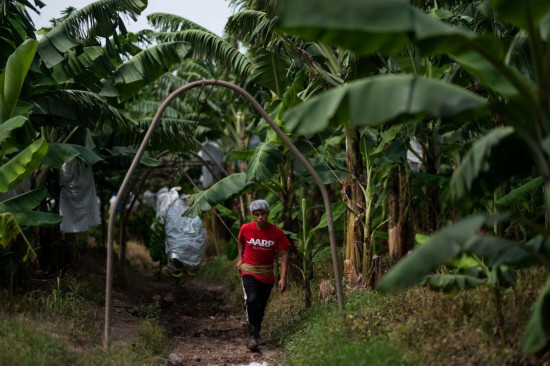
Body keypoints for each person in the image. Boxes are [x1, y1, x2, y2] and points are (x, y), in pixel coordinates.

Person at [236, 199, 290, 351]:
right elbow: (240, 241)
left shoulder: (276, 232)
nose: (260, 217)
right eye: (257, 214)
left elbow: (285, 253)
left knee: (261, 306)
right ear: (253, 215)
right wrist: (240, 258)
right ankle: (252, 335)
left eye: (263, 214)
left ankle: (257, 332)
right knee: (253, 300)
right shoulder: (246, 228)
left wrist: (283, 277)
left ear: (268, 214)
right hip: (249, 270)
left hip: (267, 274)